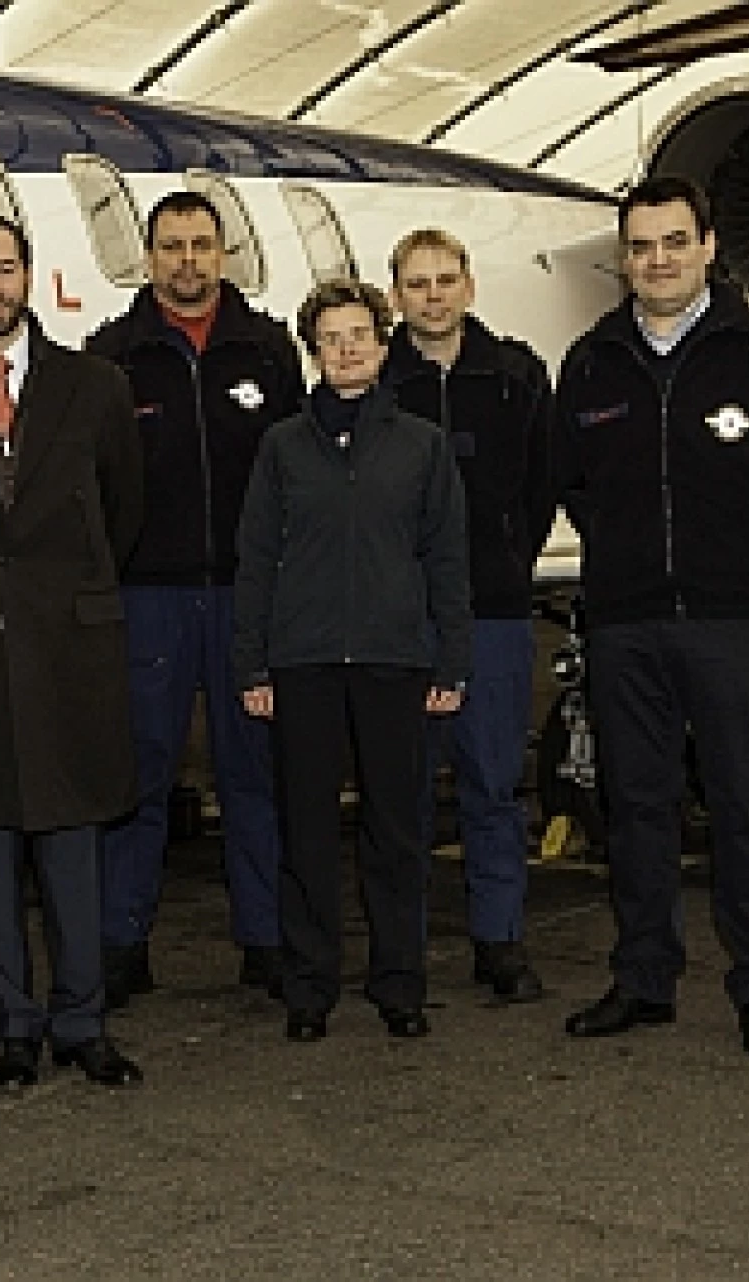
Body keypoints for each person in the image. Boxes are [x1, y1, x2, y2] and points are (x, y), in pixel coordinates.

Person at [552, 175, 749, 1057]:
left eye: (674, 242)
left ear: (709, 247)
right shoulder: (592, 362)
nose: (658, 261)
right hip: (626, 625)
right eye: (642, 247)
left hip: (735, 625)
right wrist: (629, 555)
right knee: (636, 807)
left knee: (744, 806)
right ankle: (644, 980)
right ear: (625, 258)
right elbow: (574, 483)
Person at [0, 211, 146, 1089]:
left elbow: (124, 510)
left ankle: (83, 1022)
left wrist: (69, 598)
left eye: (3, 270)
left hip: (70, 649)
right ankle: (12, 1026)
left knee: (75, 841)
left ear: (28, 275)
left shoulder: (96, 387)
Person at [233, 279, 470, 1042]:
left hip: (394, 662)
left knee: (396, 832)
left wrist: (451, 661)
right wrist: (252, 665)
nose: (346, 349)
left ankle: (400, 983)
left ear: (382, 340)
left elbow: (446, 560)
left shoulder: (421, 445)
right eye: (330, 338)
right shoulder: (281, 447)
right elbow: (256, 559)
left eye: (359, 334)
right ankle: (309, 988)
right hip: (301, 664)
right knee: (306, 831)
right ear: (313, 349)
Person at [85, 191, 303, 1006]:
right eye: (171, 246)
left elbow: (297, 477)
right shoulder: (113, 357)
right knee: (140, 774)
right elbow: (93, 483)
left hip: (249, 595)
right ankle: (121, 944)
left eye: (201, 245)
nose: (187, 260)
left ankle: (266, 939)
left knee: (254, 773)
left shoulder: (269, 351)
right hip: (152, 600)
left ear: (223, 255)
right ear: (149, 260)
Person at [382, 228, 554, 1004]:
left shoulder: (516, 375)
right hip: (398, 625)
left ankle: (500, 940)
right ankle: (403, 951)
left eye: (445, 280)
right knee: (403, 791)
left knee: (492, 784)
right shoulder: (377, 382)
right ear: (396, 297)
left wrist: (508, 558)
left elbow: (544, 487)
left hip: (493, 614)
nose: (433, 296)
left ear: (469, 286)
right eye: (416, 285)